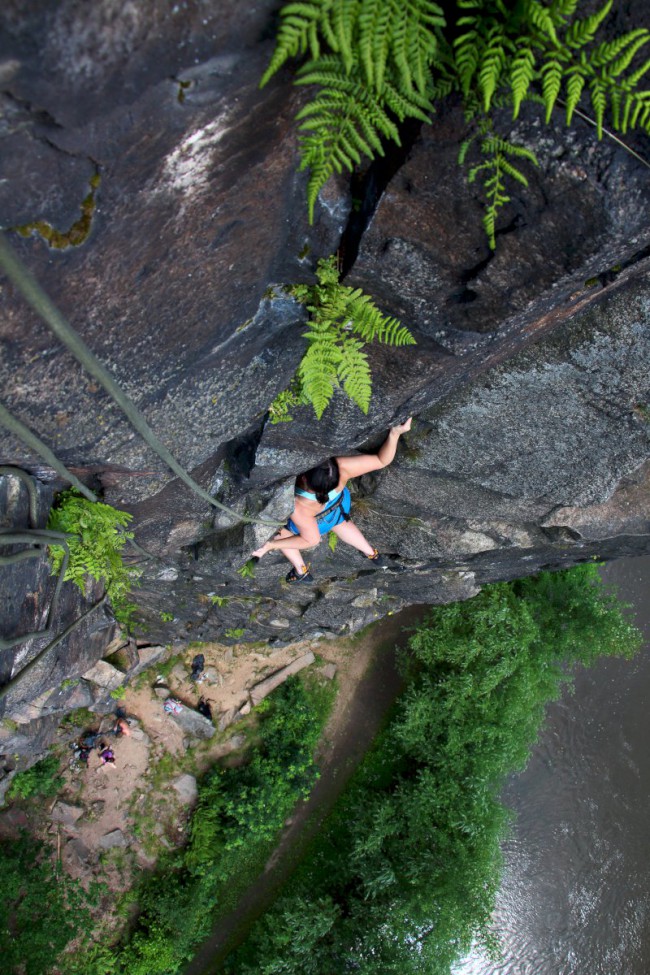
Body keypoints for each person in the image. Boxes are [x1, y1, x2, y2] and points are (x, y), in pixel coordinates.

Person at [252, 418, 412, 582]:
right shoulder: (342, 468)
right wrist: (395, 433)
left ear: (305, 480)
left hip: (318, 522)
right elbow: (381, 460)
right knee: (338, 519)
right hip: (340, 506)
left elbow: (312, 540)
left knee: (276, 531)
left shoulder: (300, 506)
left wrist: (271, 545)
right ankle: (372, 554)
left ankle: (301, 571)